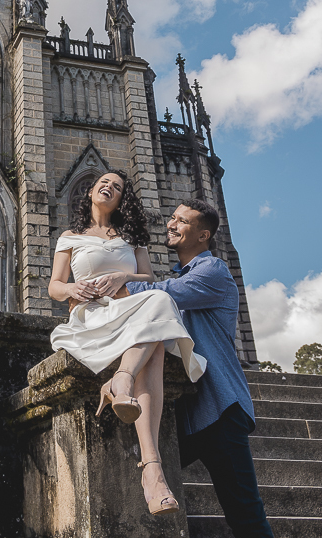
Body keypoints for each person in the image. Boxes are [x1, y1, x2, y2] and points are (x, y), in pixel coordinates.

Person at [127, 200, 283, 538]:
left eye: (181, 220)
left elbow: (159, 294)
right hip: (188, 412)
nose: (172, 223)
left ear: (203, 235)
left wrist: (114, 278)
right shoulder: (185, 275)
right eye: (173, 217)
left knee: (246, 515)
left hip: (220, 408)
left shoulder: (211, 271)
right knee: (142, 475)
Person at [48, 171, 206, 516]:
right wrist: (73, 289)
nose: (109, 187)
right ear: (91, 191)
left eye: (117, 187)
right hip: (91, 315)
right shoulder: (70, 237)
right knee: (156, 343)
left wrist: (123, 276)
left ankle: (122, 383)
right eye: (104, 182)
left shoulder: (131, 236)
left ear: (122, 200)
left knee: (159, 303)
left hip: (127, 306)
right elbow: (55, 286)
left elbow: (148, 279)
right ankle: (153, 471)